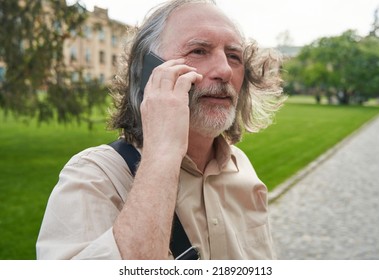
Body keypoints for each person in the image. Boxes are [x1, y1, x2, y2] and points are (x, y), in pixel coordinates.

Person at [36, 0, 285, 260]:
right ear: (148, 71)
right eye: (199, 50)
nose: (224, 70)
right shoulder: (95, 177)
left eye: (234, 56)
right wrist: (163, 153)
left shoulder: (241, 166)